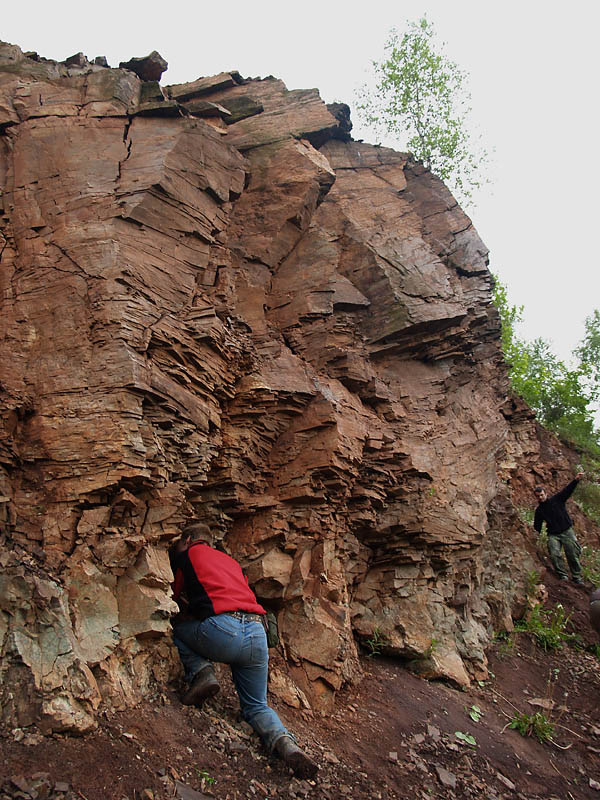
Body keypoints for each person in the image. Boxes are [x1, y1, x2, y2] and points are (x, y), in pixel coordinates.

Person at [169, 522, 318, 779]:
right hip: (257, 633)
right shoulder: (231, 563)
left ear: (190, 539)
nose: (177, 547)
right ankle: (286, 744)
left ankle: (202, 673)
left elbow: (173, 595)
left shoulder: (188, 555)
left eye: (180, 542)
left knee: (177, 630)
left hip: (224, 630)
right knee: (257, 705)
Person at [533, 472, 585, 584]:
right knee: (554, 553)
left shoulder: (557, 499)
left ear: (545, 494)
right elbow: (537, 526)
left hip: (567, 531)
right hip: (553, 534)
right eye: (538, 496)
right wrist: (533, 539)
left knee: (572, 553)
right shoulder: (539, 511)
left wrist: (576, 480)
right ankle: (563, 575)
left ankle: (577, 577)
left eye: (541, 495)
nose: (540, 498)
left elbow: (567, 490)